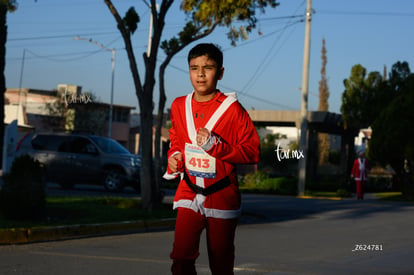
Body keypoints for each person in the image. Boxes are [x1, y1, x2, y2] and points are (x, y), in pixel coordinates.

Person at [164, 43, 260, 275]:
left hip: (222, 193)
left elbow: (252, 151)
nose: (200, 74)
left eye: (208, 67)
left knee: (220, 261)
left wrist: (216, 145)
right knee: (181, 257)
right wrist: (174, 157)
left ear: (221, 72)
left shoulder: (233, 109)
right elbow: (176, 140)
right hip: (188, 189)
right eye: (194, 67)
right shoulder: (178, 105)